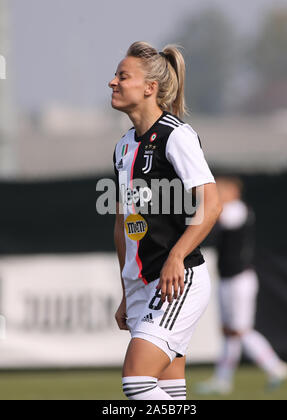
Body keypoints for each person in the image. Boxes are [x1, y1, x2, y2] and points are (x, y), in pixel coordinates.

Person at [109, 41, 222, 400]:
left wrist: (176, 256)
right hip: (143, 285)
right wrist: (128, 291)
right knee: (168, 393)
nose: (112, 82)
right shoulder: (124, 146)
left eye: (122, 76)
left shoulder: (176, 135)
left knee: (136, 382)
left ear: (150, 88)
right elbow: (122, 223)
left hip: (177, 279)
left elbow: (212, 204)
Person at [194, 176, 287, 395]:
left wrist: (205, 200)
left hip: (240, 279)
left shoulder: (237, 209)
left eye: (220, 190)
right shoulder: (227, 209)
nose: (217, 193)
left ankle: (275, 366)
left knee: (241, 330)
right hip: (227, 277)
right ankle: (223, 380)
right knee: (229, 331)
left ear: (233, 193)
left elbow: (214, 218)